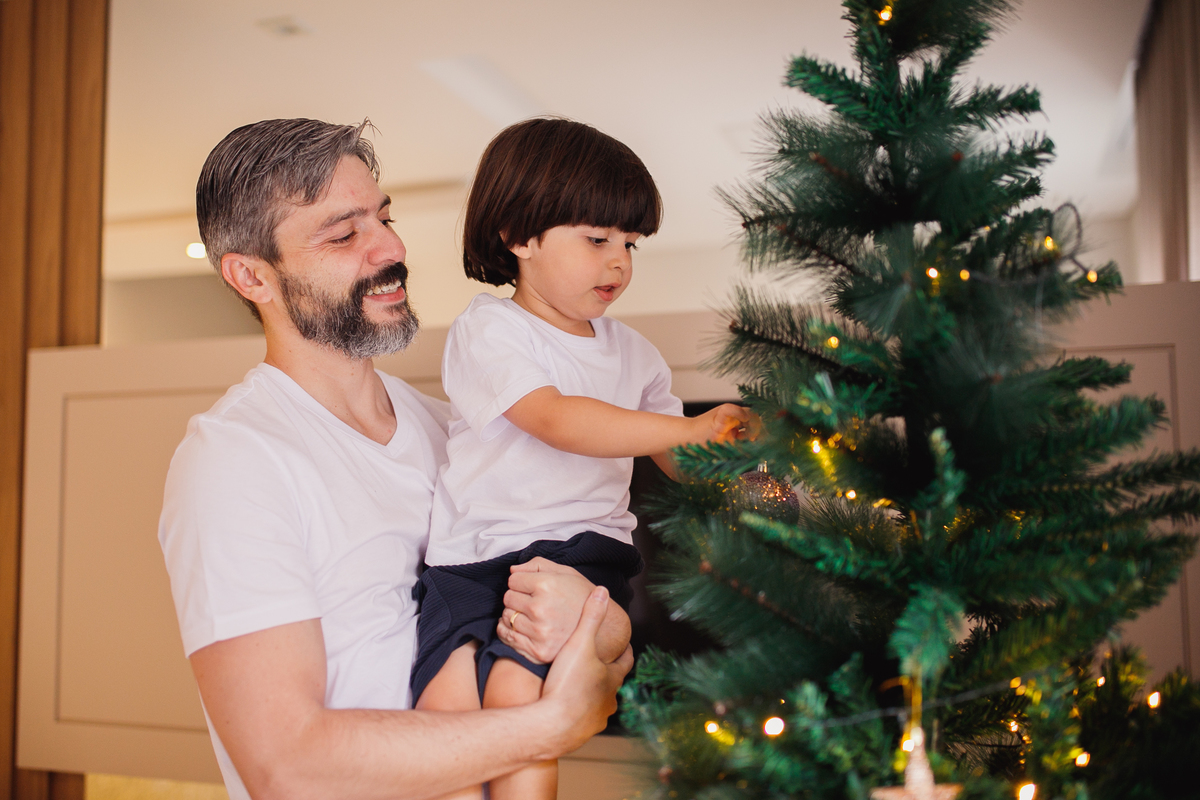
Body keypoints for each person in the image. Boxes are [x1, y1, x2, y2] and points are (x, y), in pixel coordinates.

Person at [158, 118, 634, 800]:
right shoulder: (234, 460)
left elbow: (608, 636)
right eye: (345, 233)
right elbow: (286, 767)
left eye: (385, 217)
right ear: (251, 276)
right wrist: (550, 725)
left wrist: (593, 615)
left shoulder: (455, 430)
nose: (392, 247)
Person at [411, 117, 749, 800]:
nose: (619, 261)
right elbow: (555, 420)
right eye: (597, 239)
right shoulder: (490, 330)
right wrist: (686, 431)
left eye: (630, 243)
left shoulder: (635, 354)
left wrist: (725, 459)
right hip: (467, 560)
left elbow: (669, 457)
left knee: (517, 697)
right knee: (440, 713)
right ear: (518, 237)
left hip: (578, 554)